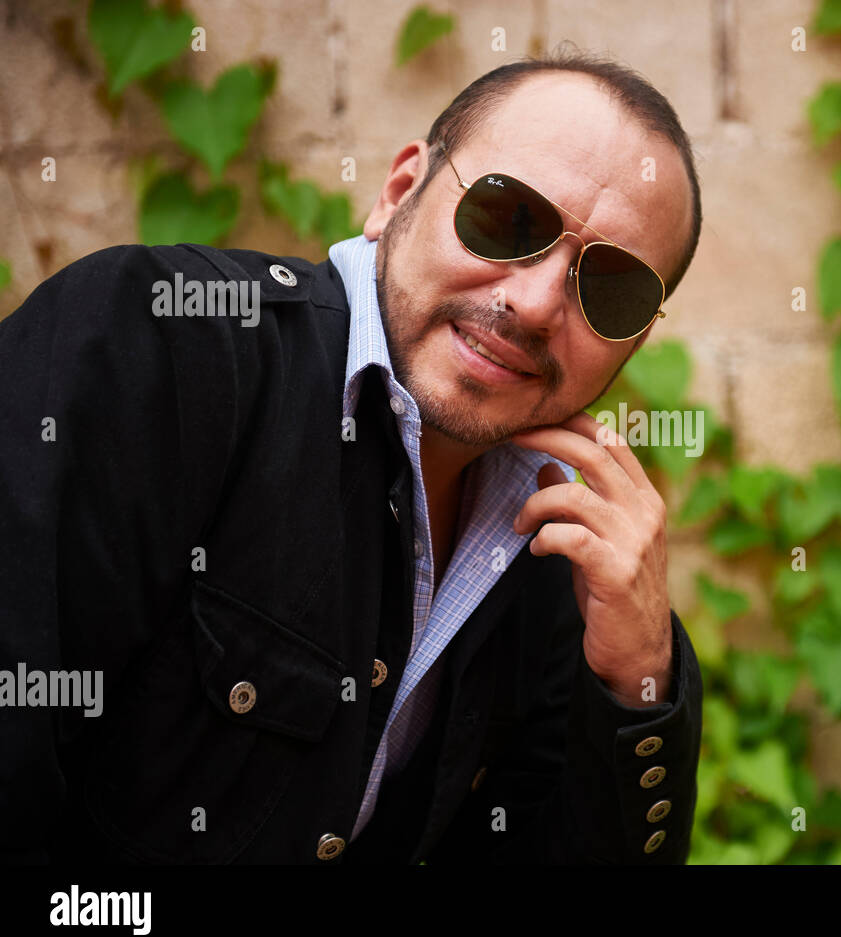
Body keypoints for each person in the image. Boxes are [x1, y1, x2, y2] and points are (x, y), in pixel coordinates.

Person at [0, 50, 705, 864]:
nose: (536, 303)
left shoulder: (556, 567)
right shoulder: (152, 352)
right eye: (508, 218)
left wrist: (638, 681)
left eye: (609, 287)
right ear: (398, 191)